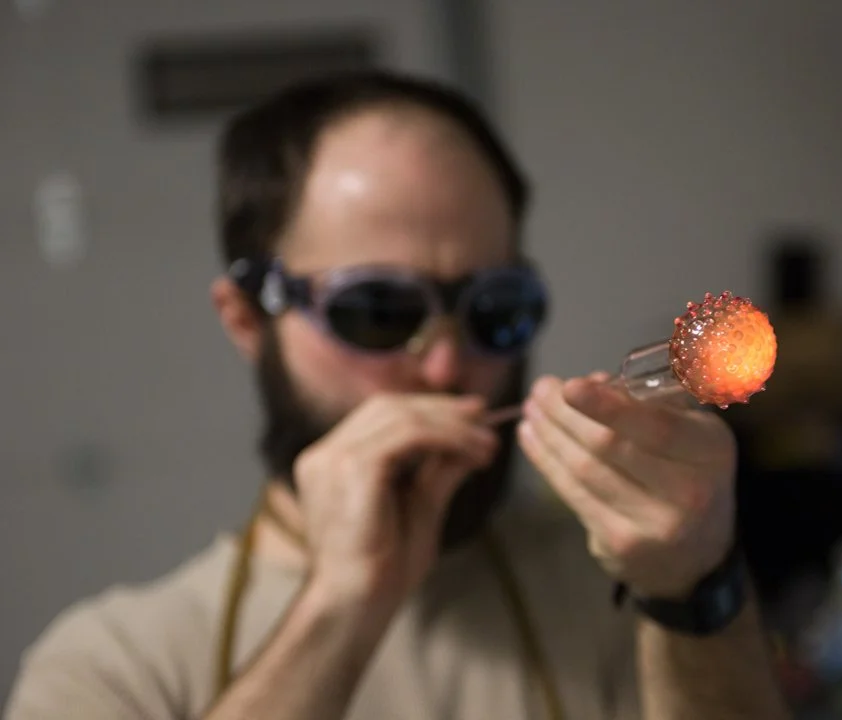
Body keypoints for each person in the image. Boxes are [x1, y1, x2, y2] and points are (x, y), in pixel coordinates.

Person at [5, 70, 790, 720]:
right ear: (247, 318)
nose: (447, 368)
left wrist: (696, 588)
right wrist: (342, 602)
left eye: (495, 311)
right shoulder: (112, 666)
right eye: (378, 311)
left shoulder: (613, 583)